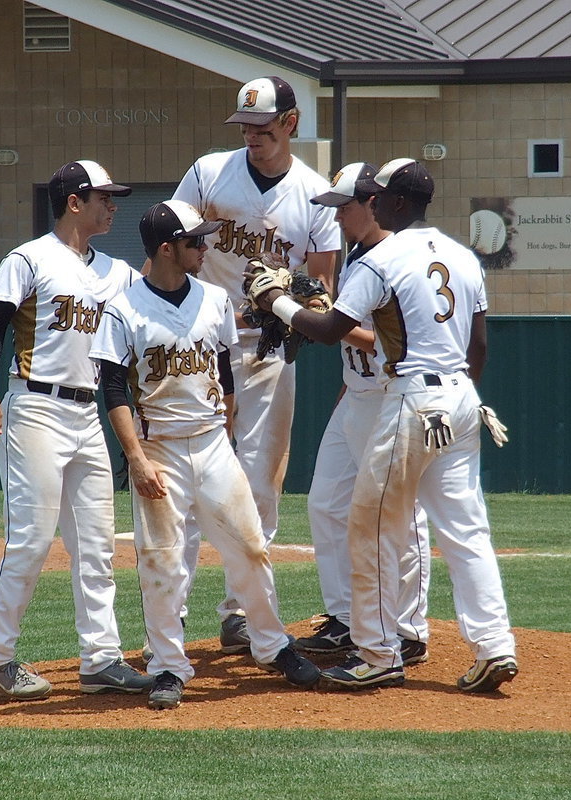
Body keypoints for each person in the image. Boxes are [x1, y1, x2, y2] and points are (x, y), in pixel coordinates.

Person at [247, 158, 518, 694]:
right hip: (463, 397)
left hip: (410, 399)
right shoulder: (465, 256)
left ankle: (377, 652)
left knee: (370, 527)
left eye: (375, 197)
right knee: (467, 532)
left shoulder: (382, 257)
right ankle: (495, 646)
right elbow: (479, 345)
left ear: (390, 202)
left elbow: (328, 331)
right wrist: (461, 393)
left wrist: (274, 300)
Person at [90, 200, 321, 710]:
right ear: (167, 248)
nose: (205, 246)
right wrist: (136, 459)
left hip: (214, 442)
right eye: (195, 241)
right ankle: (169, 666)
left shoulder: (215, 300)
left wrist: (229, 432)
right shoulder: (124, 310)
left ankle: (272, 644)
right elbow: (113, 390)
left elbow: (225, 370)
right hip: (159, 449)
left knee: (250, 547)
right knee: (162, 563)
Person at [171, 75, 342, 652]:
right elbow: (171, 245)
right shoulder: (209, 172)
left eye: (263, 128)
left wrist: (290, 303)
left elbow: (322, 287)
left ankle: (241, 613)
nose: (251, 137)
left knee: (260, 479)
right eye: (243, 127)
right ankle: (168, 617)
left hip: (267, 346)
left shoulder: (315, 194)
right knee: (188, 477)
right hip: (198, 345)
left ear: (291, 123)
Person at [0, 159, 152, 699]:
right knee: (30, 539)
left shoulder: (115, 272)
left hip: (87, 412)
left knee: (96, 545)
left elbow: (160, 304)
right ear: (75, 201)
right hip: (36, 407)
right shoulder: (29, 258)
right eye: (104, 197)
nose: (113, 205)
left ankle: (101, 659)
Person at [292, 163, 431, 665]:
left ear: (373, 202)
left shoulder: (394, 260)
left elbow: (386, 343)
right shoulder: (356, 256)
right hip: (354, 395)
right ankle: (348, 618)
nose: (338, 218)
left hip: (392, 397)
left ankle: (409, 628)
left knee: (401, 515)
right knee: (326, 504)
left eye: (344, 207)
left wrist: (324, 318)